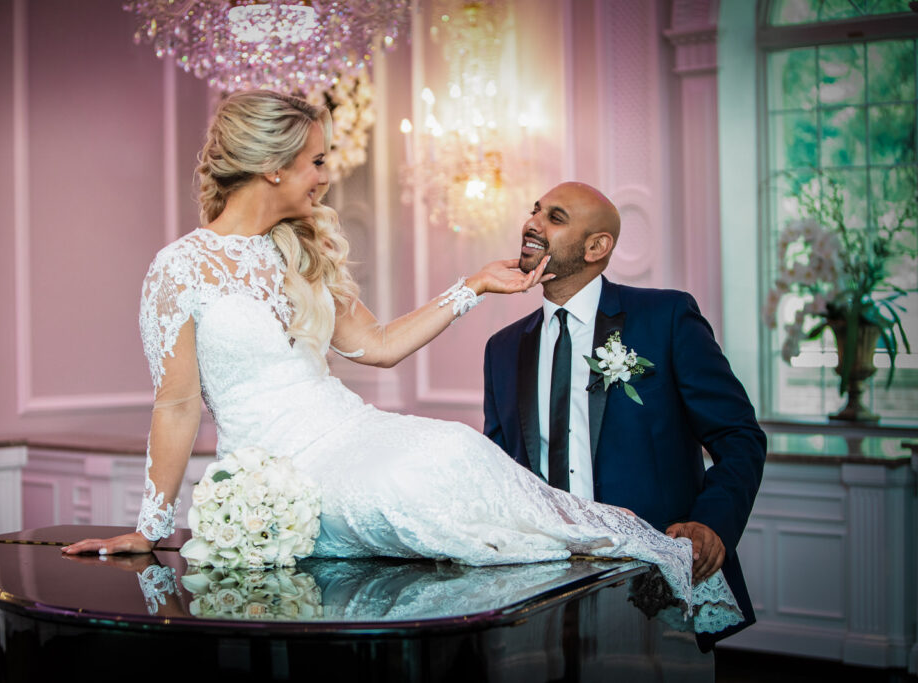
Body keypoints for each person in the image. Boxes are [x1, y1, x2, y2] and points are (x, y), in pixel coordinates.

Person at [63, 90, 743, 635]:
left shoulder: (300, 249)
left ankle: (642, 567)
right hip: (280, 468)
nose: (328, 175)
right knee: (411, 485)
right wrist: (151, 527)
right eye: (317, 162)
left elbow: (378, 345)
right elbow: (177, 403)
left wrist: (473, 286)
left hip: (351, 427)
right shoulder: (180, 269)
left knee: (451, 449)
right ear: (275, 166)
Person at [482, 182, 766, 648]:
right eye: (534, 211)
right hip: (534, 588)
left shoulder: (666, 317)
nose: (532, 223)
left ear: (597, 246)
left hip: (652, 583)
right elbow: (499, 468)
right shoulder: (503, 349)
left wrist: (712, 524)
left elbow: (739, 436)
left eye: (555, 217)